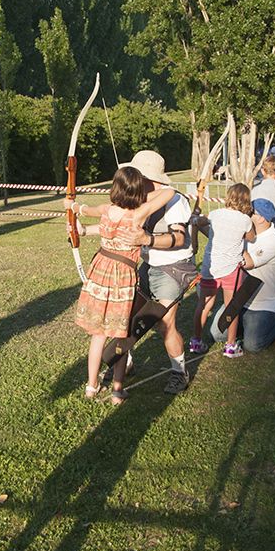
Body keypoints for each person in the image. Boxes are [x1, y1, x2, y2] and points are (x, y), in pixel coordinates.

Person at [66, 167, 176, 404]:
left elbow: (85, 210)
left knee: (98, 335)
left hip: (100, 270)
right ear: (137, 191)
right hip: (122, 277)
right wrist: (140, 198)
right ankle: (117, 390)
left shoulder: (106, 210)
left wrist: (74, 207)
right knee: (120, 333)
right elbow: (169, 192)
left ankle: (91, 387)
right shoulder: (137, 214)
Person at [112, 151, 198, 395]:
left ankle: (179, 372)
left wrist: (146, 238)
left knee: (165, 324)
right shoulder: (143, 198)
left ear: (147, 176)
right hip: (148, 266)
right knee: (129, 315)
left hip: (174, 268)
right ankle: (125, 363)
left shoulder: (175, 201)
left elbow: (180, 238)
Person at [208, 198, 275, 351]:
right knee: (216, 335)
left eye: (249, 212)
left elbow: (249, 262)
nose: (244, 214)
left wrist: (232, 240)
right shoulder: (245, 231)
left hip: (264, 303)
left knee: (253, 346)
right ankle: (242, 328)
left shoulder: (274, 241)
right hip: (241, 299)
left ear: (261, 218)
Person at [190, 184, 255, 358]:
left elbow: (198, 221)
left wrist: (196, 220)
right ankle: (231, 345)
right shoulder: (245, 220)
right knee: (231, 307)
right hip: (230, 268)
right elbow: (252, 237)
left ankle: (196, 340)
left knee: (204, 305)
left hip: (210, 267)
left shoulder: (215, 214)